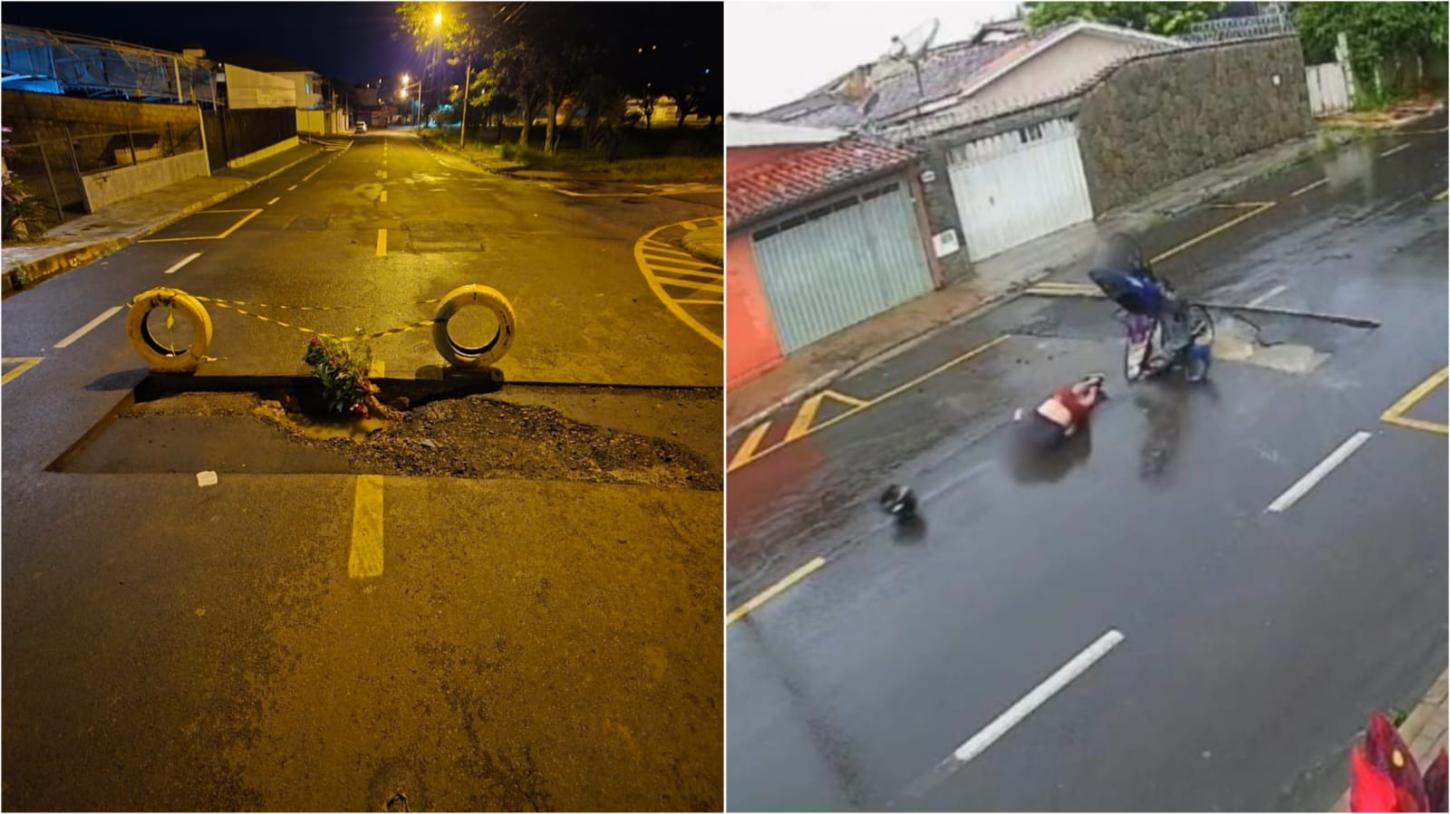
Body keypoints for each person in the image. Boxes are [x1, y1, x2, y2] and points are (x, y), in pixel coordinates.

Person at [1015, 374, 1107, 453]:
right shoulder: (1073, 401)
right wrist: (1093, 388)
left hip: (1043, 418)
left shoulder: (1064, 395)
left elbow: (1080, 392)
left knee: (1031, 439)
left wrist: (1092, 384)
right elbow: (1071, 430)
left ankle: (1092, 383)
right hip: (1051, 424)